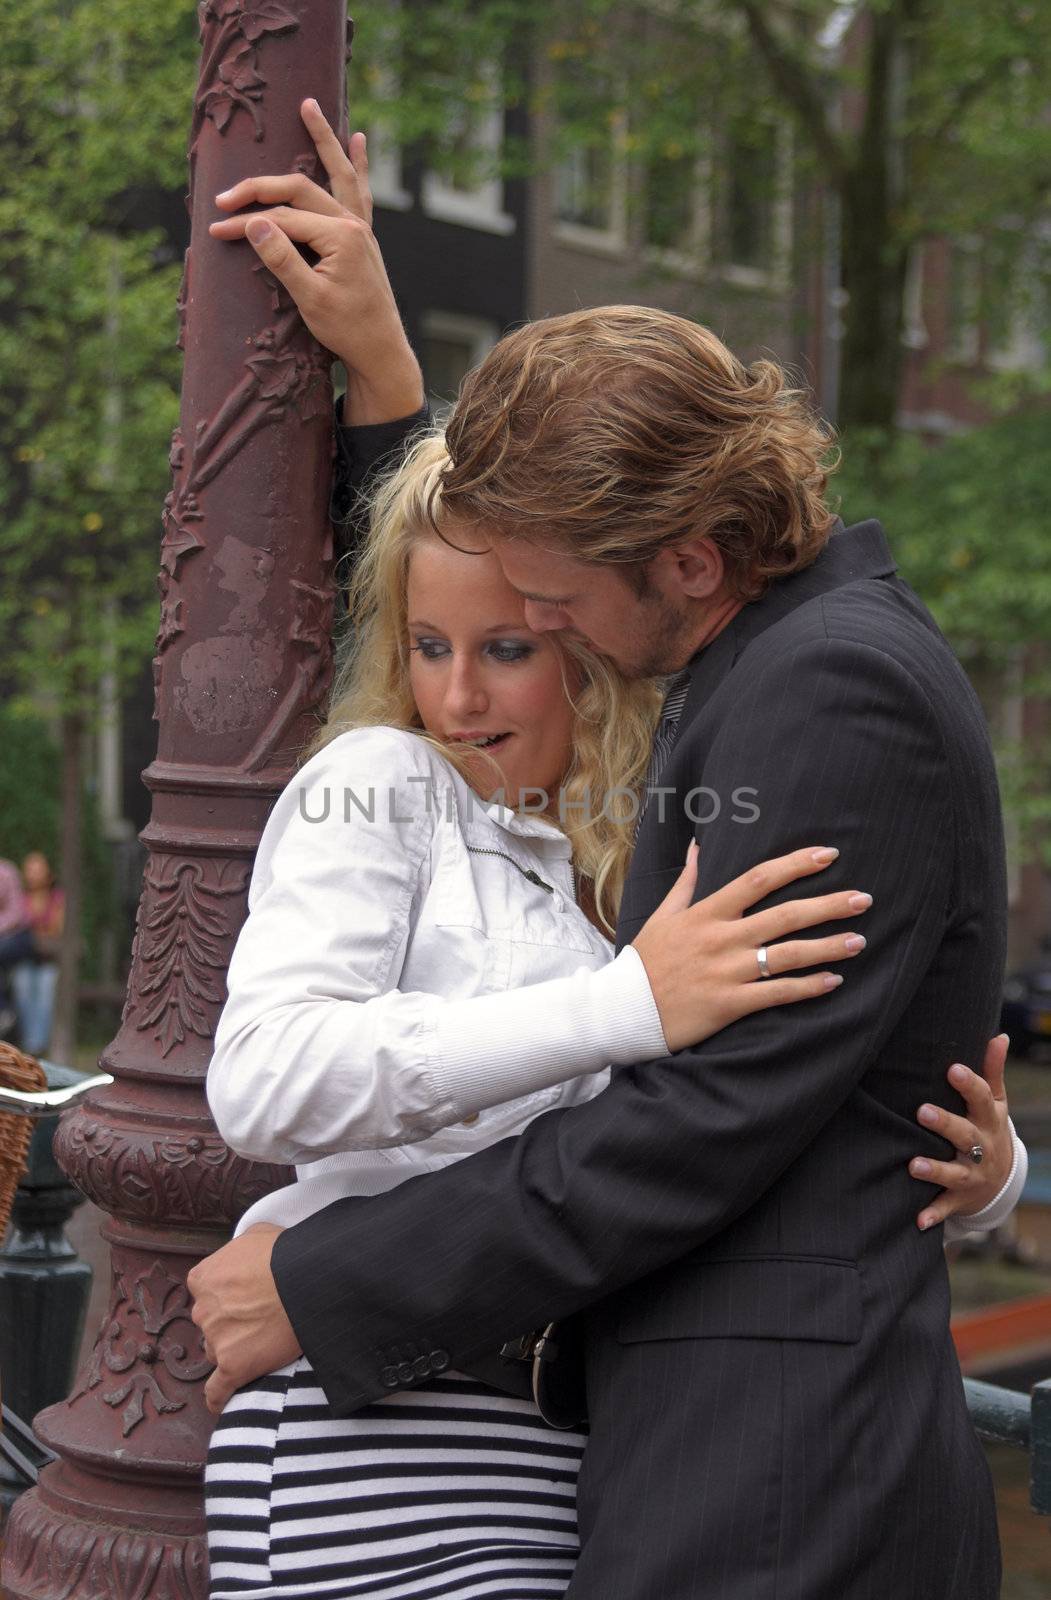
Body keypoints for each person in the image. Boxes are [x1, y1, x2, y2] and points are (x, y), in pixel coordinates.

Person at [190, 103, 1025, 1600]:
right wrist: (383, 375)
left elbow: (700, 1114)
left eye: (549, 607)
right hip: (582, 1457)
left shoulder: (818, 689)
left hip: (763, 1481)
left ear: (686, 562)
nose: (542, 633)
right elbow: (464, 628)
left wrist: (320, 1283)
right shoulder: (748, 666)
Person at [203, 431, 886, 1598]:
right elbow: (264, 1079)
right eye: (428, 646)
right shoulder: (381, 784)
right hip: (368, 1427)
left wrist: (977, 1169)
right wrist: (618, 1006)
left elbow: (704, 1136)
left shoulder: (630, 871)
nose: (457, 695)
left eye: (506, 647)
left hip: (567, 1442)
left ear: (591, 648)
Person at [11, 851, 64, 1057]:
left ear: (48, 872)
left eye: (37, 868)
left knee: (45, 989)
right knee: (22, 986)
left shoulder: (57, 898)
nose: (33, 873)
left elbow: (57, 929)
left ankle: (35, 1048)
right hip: (25, 959)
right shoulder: (20, 898)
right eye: (30, 869)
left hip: (48, 960)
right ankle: (31, 1045)